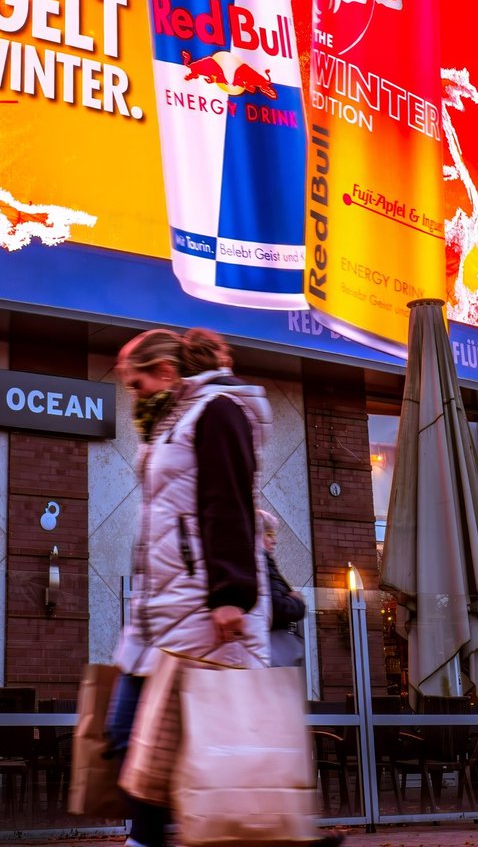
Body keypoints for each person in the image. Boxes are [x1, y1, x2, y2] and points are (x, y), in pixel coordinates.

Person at [107, 327, 271, 847]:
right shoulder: (170, 423)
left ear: (167, 372)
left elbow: (229, 505)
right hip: (160, 613)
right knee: (131, 740)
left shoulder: (217, 412)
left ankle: (155, 839)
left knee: (156, 744)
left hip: (200, 612)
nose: (133, 397)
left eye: (136, 385)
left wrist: (230, 595)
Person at [259, 512, 306, 670]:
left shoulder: (264, 562)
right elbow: (277, 608)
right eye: (269, 534)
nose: (275, 540)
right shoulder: (262, 564)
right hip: (270, 653)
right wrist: (297, 602)